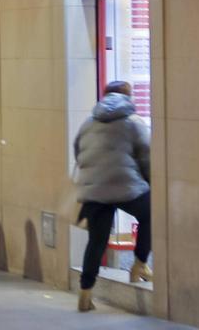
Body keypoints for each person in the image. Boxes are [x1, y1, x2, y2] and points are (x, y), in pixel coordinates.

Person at [74, 81, 152, 313]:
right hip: (127, 188)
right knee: (152, 214)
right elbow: (146, 156)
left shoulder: (88, 122)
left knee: (96, 241)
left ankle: (85, 294)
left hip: (95, 190)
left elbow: (78, 152)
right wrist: (149, 182)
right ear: (129, 98)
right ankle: (139, 265)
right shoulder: (133, 122)